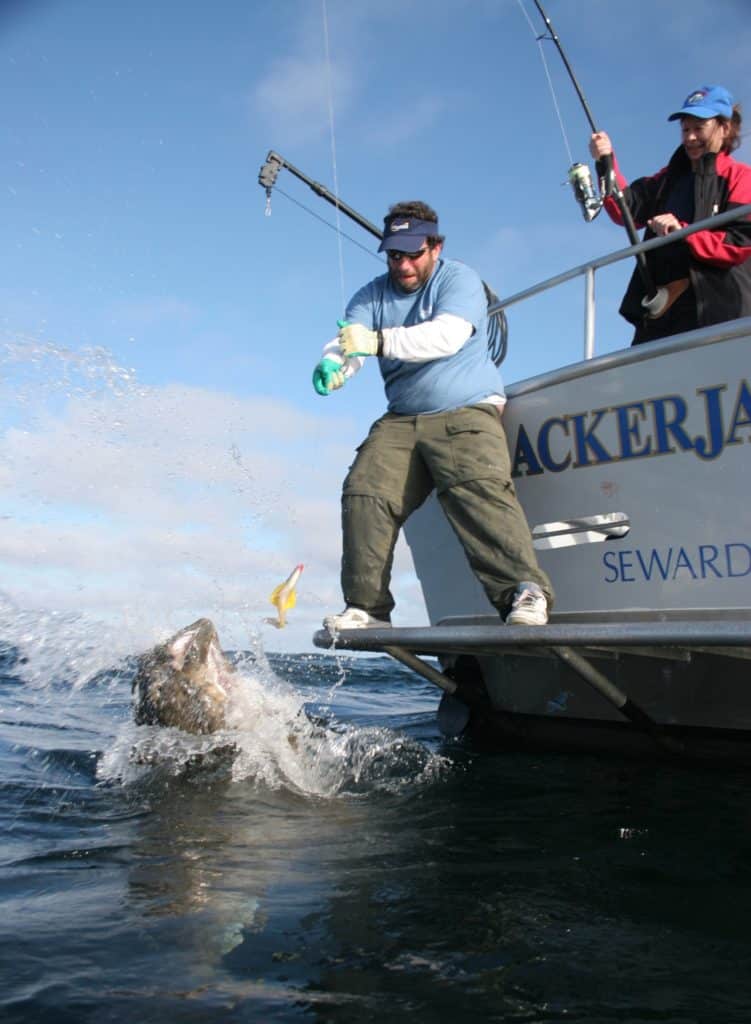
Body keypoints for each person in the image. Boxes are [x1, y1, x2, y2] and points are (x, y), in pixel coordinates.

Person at [312, 200, 553, 630]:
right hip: (403, 417)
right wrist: (335, 366)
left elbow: (446, 336)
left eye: (413, 253)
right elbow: (349, 341)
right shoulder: (370, 294)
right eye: (394, 255)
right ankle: (367, 608)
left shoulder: (459, 279)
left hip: (467, 408)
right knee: (364, 491)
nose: (403, 265)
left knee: (476, 488)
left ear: (435, 247)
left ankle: (524, 591)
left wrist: (377, 342)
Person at [589, 84, 751, 345]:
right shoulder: (668, 178)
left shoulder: (742, 177)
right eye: (685, 129)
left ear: (725, 128)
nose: (690, 138)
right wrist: (605, 161)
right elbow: (624, 211)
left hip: (719, 316)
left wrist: (683, 232)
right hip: (660, 315)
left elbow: (740, 243)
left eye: (699, 128)